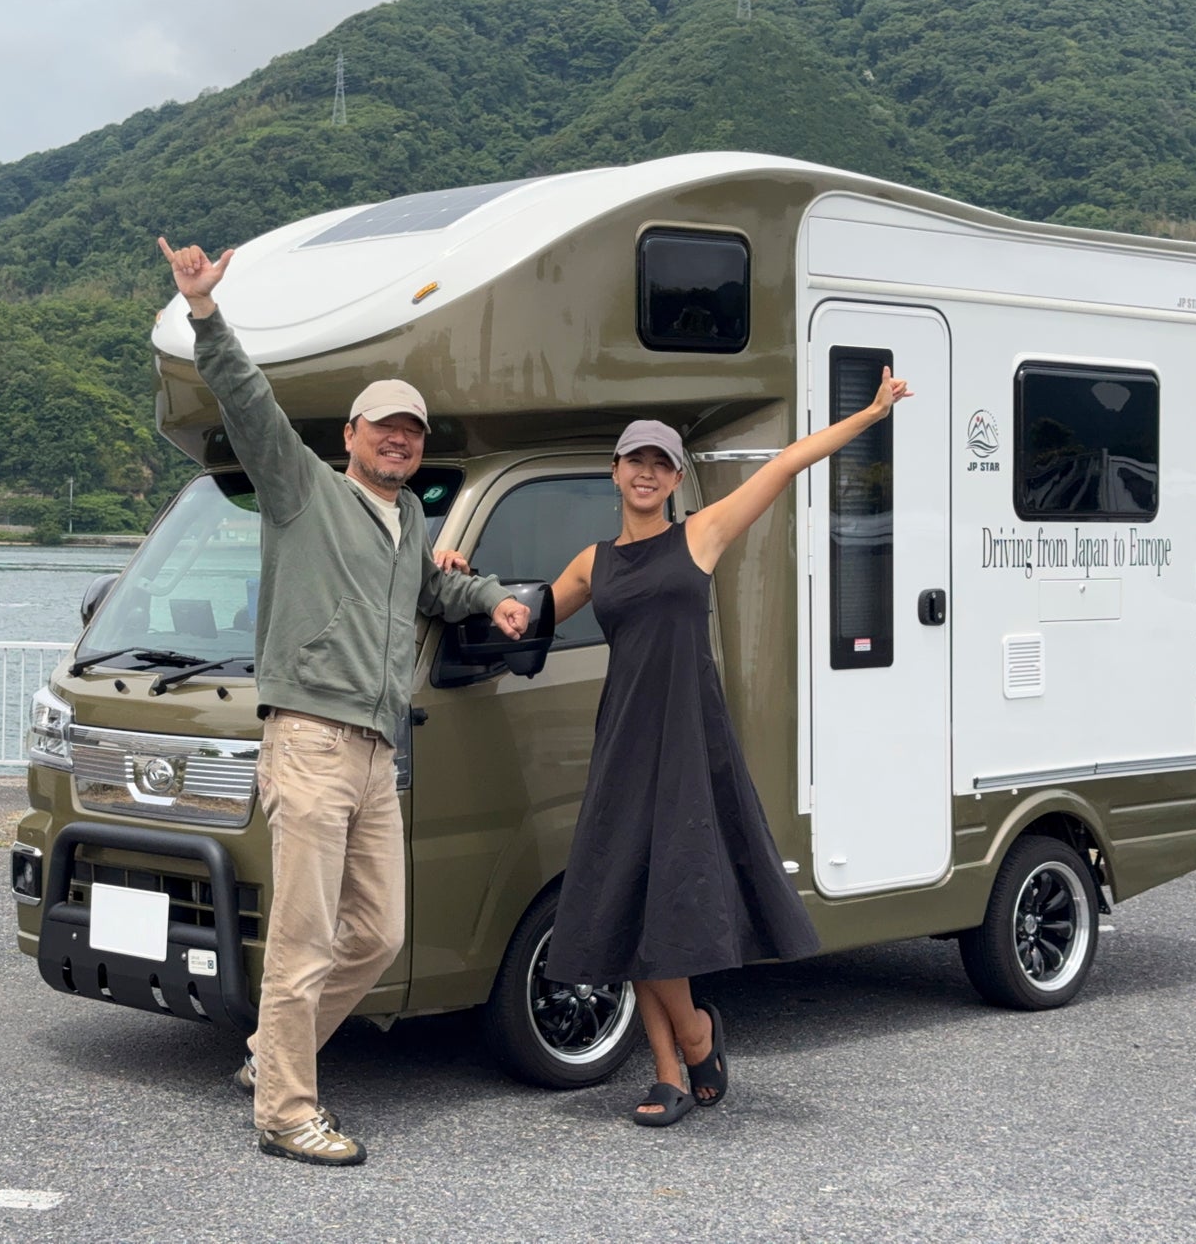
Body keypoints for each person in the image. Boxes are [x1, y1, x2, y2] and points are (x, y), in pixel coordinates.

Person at [156, 237, 531, 1166]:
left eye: (412, 433)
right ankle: (286, 1110)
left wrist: (492, 597)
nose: (400, 441)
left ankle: (267, 1054)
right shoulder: (304, 493)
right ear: (352, 438)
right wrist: (205, 312)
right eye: (384, 429)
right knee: (304, 936)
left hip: (376, 750)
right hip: (312, 740)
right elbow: (246, 402)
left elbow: (434, 594)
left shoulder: (408, 523)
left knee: (376, 935)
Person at [545, 373, 911, 1125]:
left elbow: (782, 464)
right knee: (627, 897)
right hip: (623, 738)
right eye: (633, 461)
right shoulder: (594, 562)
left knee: (668, 895)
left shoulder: (699, 535)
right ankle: (675, 1063)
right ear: (614, 472)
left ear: (677, 479)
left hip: (686, 736)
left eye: (660, 463)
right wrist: (461, 581)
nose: (645, 473)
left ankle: (688, 1042)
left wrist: (868, 415)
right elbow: (528, 616)